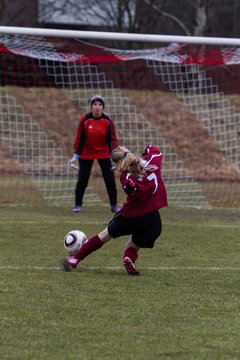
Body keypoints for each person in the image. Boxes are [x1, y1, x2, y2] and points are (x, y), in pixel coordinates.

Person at [63, 144, 168, 276]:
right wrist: (146, 151)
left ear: (118, 163)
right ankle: (128, 258)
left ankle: (75, 259)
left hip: (129, 216)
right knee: (134, 245)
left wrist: (130, 187)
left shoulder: (126, 176)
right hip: (151, 219)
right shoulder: (153, 159)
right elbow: (154, 149)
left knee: (104, 236)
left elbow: (130, 189)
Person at [69, 95, 120, 213]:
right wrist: (76, 154)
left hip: (104, 152)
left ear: (103, 107)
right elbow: (80, 138)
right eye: (95, 104)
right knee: (83, 179)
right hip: (87, 152)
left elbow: (112, 139)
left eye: (100, 105)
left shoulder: (108, 120)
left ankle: (114, 205)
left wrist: (114, 154)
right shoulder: (85, 119)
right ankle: (77, 205)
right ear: (91, 107)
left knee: (109, 179)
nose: (97, 107)